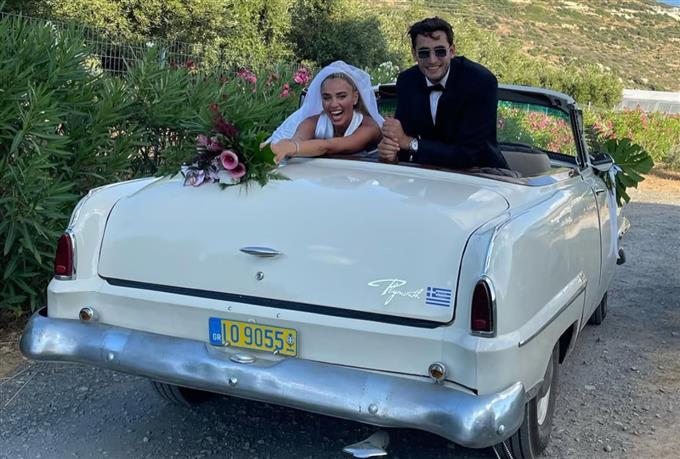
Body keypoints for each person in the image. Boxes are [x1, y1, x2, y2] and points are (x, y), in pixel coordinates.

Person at [378, 17, 508, 170]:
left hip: (482, 174)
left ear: (452, 51)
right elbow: (401, 139)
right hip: (425, 173)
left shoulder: (480, 82)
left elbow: (468, 154)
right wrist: (391, 152)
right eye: (424, 53)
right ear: (414, 54)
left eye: (440, 51)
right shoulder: (407, 81)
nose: (432, 60)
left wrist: (410, 143)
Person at [266, 61, 383, 164]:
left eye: (341, 96)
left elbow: (329, 146)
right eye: (327, 98)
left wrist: (293, 147)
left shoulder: (369, 127)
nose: (333, 104)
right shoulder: (311, 122)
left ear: (355, 98)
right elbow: (297, 140)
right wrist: (282, 146)